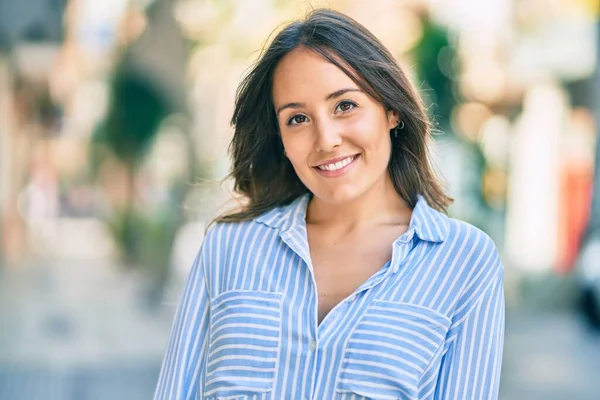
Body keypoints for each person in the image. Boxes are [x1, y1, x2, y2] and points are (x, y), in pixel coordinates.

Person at [154, 8, 504, 400]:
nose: (326, 139)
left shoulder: (464, 262)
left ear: (391, 110)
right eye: (298, 118)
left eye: (345, 106)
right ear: (281, 139)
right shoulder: (229, 248)